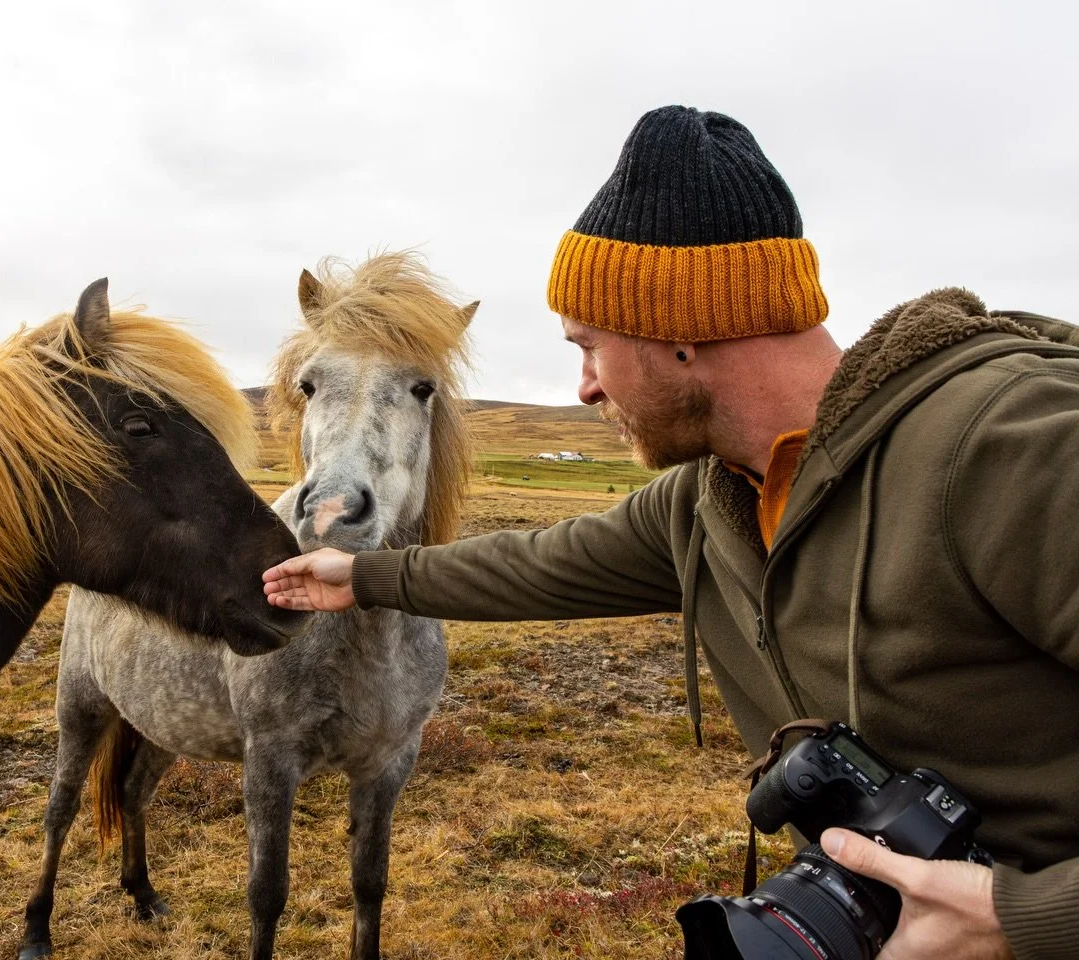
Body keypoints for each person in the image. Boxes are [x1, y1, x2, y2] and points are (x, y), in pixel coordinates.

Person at [263, 106, 1079, 960]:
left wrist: (1022, 916)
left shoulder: (1008, 453)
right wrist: (363, 576)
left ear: (678, 334)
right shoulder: (712, 500)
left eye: (589, 346)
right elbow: (541, 564)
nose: (584, 387)